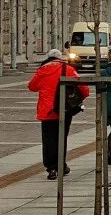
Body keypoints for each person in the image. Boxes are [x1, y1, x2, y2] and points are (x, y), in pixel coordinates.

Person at [28, 49, 90, 180]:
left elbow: (32, 86)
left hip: (47, 110)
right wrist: (76, 100)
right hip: (64, 109)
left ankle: (51, 168)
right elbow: (84, 89)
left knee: (48, 139)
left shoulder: (42, 70)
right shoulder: (68, 69)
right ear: (60, 58)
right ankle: (61, 165)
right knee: (62, 137)